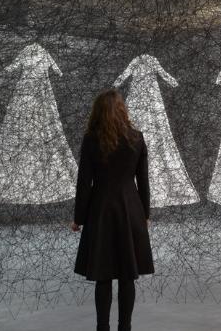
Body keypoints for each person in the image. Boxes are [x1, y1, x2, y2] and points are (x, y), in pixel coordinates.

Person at [71, 88, 154, 331]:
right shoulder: (137, 138)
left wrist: (79, 218)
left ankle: (102, 328)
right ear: (122, 111)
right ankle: (125, 327)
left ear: (98, 112)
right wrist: (146, 215)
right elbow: (143, 182)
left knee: (103, 275)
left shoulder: (91, 140)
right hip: (131, 211)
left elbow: (84, 183)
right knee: (128, 275)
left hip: (101, 211)